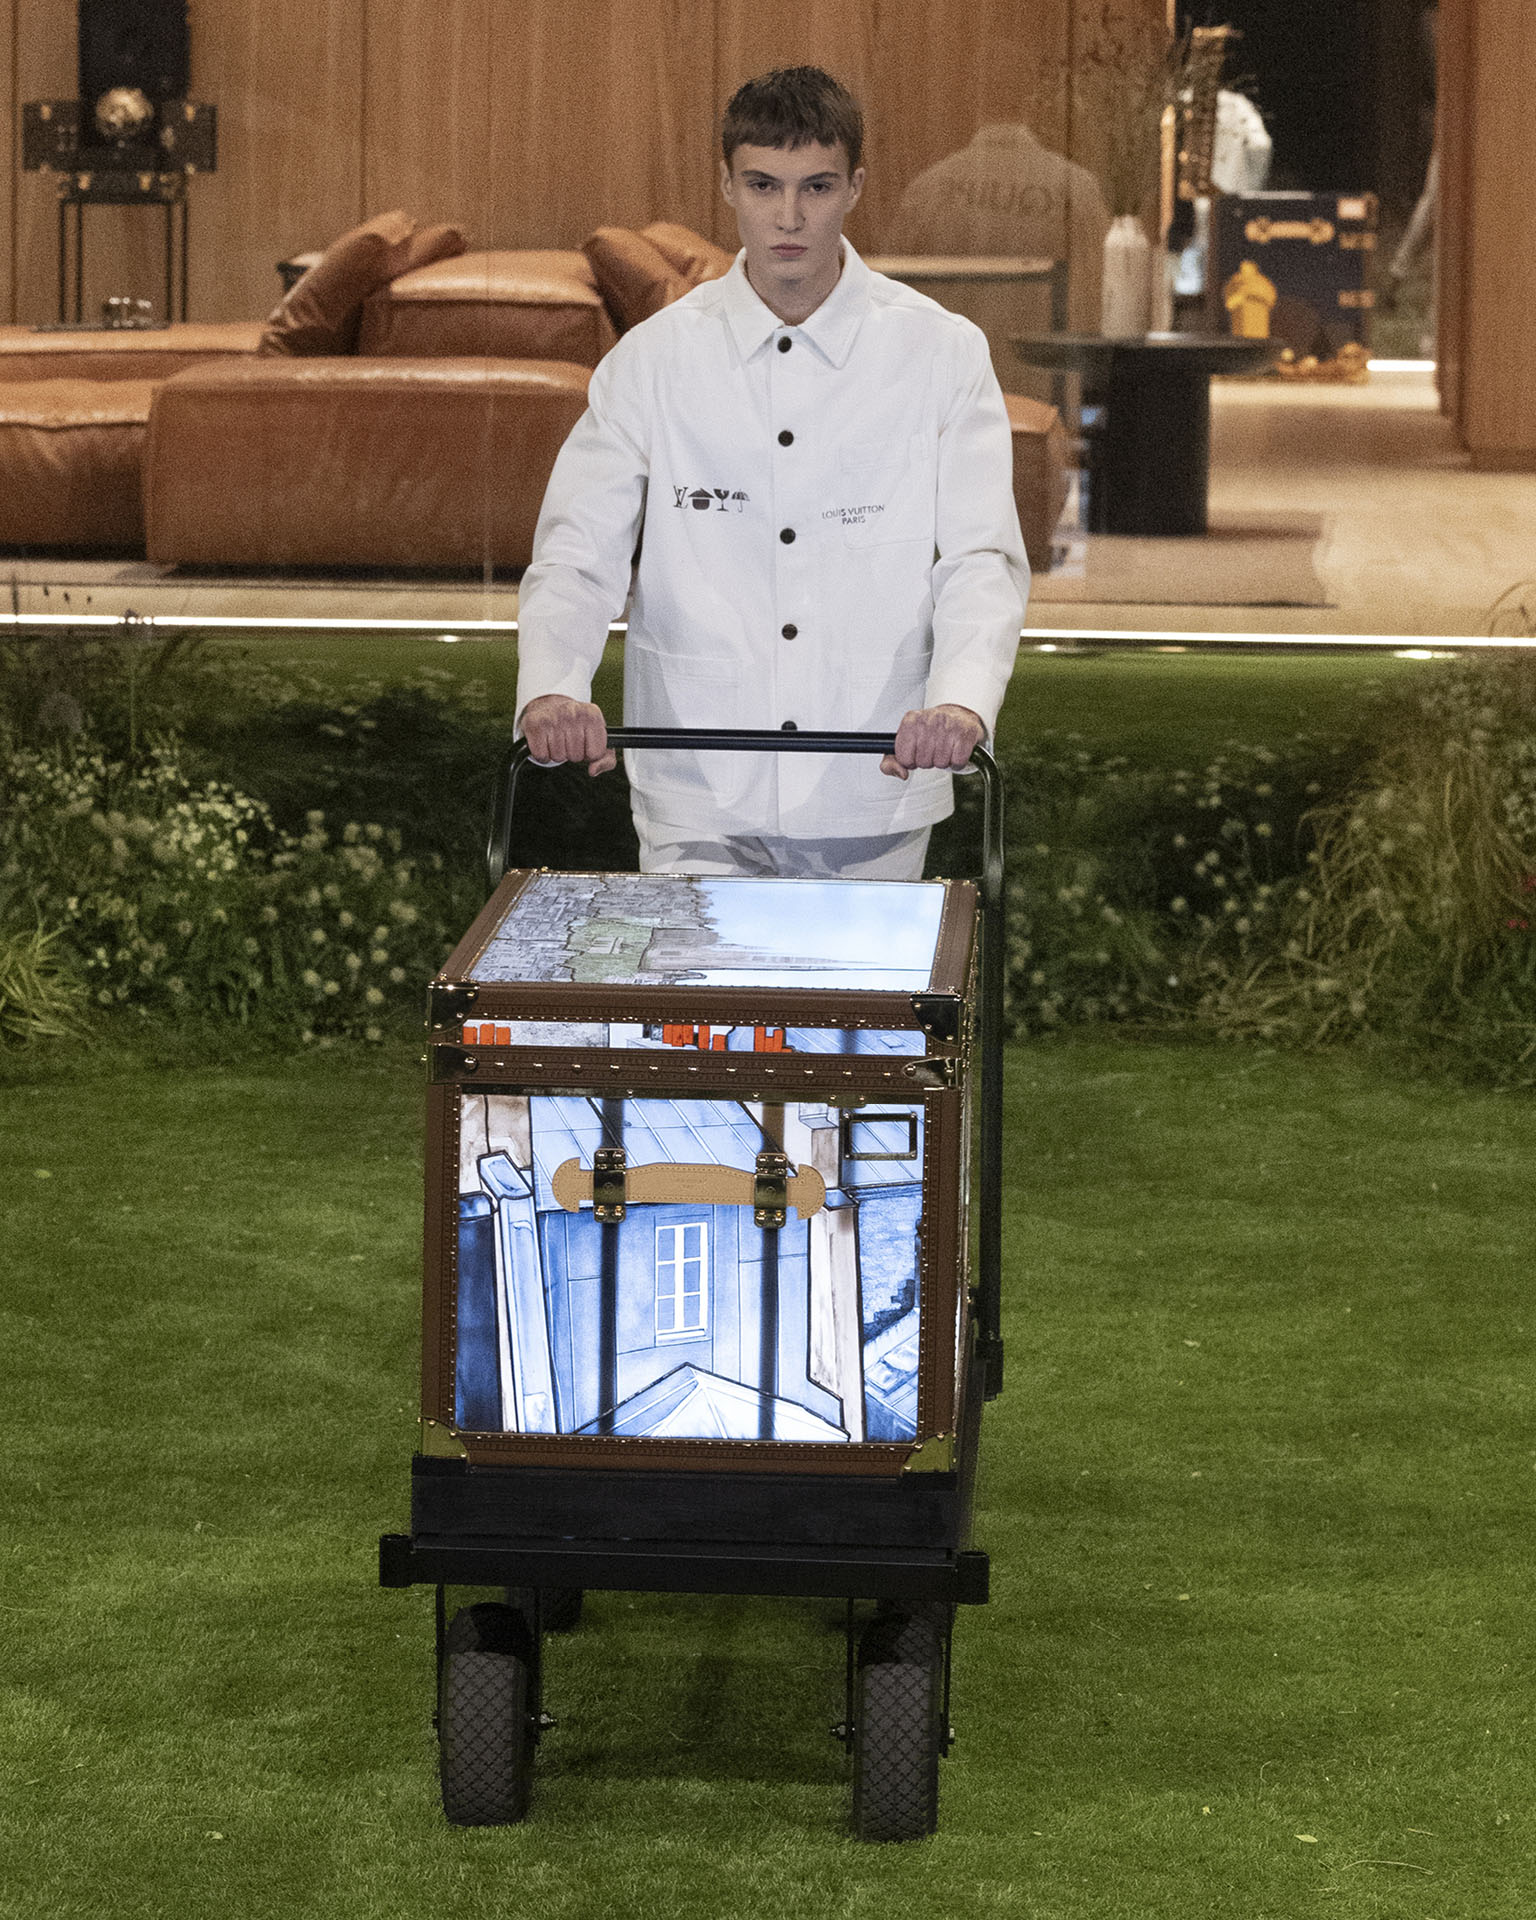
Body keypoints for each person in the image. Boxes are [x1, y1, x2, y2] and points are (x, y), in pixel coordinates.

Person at [515, 66, 1029, 881]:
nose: (789, 217)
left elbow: (980, 560)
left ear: (855, 187)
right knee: (697, 976)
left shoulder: (942, 351)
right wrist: (552, 686)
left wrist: (960, 701)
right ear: (727, 185)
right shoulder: (653, 359)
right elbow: (578, 554)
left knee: (868, 978)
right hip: (694, 782)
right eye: (763, 185)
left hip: (876, 781)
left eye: (815, 187)